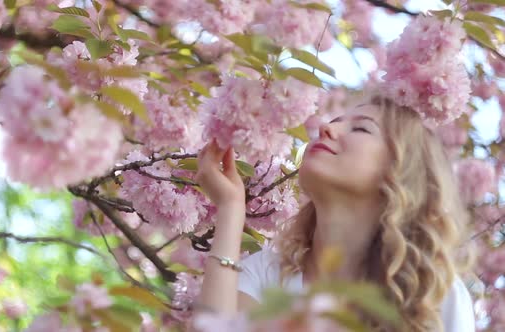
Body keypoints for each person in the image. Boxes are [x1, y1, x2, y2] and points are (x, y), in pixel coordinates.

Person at [193, 93, 476, 331]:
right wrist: (231, 208)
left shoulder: (433, 296)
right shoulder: (269, 273)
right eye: (335, 121)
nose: (327, 128)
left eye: (361, 129)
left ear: (400, 171)